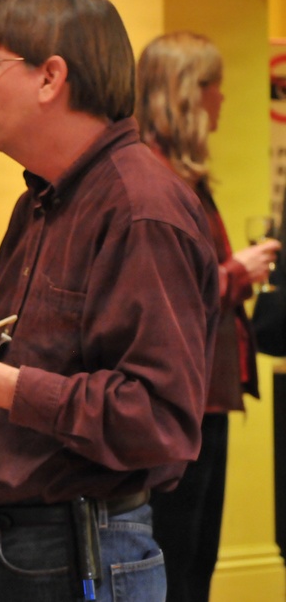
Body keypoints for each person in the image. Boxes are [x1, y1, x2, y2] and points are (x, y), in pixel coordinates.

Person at [0, 0, 220, 602]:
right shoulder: (44, 199)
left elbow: (159, 417)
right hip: (24, 547)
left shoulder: (139, 208)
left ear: (50, 78)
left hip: (82, 552)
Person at [135, 31, 279, 602]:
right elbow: (164, 294)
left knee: (196, 559)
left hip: (203, 396)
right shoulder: (155, 181)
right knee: (177, 560)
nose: (223, 97)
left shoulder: (180, 176)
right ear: (189, 93)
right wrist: (236, 273)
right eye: (215, 85)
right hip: (179, 399)